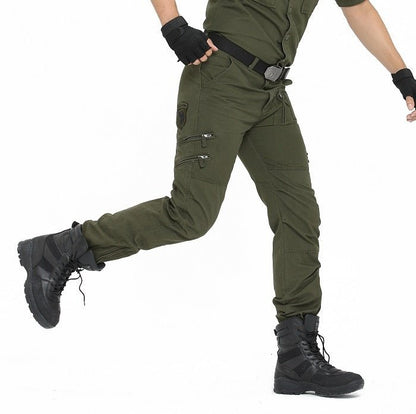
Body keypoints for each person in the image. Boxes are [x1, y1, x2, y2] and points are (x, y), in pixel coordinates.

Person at [17, 0, 416, 397]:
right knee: (190, 214)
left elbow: (358, 7)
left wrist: (402, 76)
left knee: (299, 214)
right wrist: (173, 26)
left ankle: (297, 356)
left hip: (271, 93)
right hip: (219, 79)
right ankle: (63, 249)